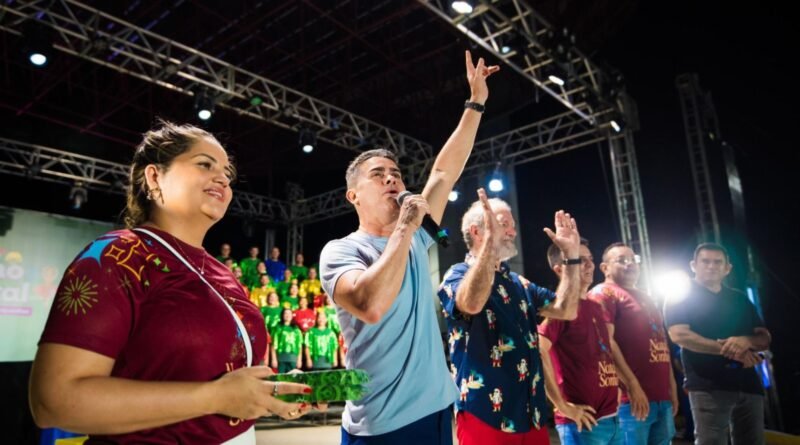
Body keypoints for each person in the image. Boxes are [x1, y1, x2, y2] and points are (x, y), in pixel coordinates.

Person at [28, 121, 314, 444]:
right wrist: (213, 397)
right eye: (204, 164)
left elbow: (228, 378)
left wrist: (274, 392)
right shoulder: (114, 257)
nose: (222, 178)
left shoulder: (222, 274)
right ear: (154, 177)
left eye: (227, 173)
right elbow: (53, 400)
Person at [319, 51, 499, 444]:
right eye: (378, 175)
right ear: (353, 195)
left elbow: (443, 170)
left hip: (436, 412)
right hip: (381, 423)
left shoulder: (416, 232)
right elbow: (370, 303)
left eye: (396, 174)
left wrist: (476, 102)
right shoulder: (340, 251)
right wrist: (405, 226)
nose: (392, 181)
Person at [438, 190, 583, 445]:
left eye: (511, 227)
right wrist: (490, 246)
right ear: (476, 231)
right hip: (485, 414)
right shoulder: (456, 274)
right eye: (503, 225)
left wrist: (572, 258)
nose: (512, 233)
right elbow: (470, 304)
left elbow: (566, 309)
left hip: (531, 414)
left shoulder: (518, 282)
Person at [664, 243, 771, 445]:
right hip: (708, 385)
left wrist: (746, 341)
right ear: (693, 265)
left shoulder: (740, 298)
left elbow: (764, 338)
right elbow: (680, 335)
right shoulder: (680, 295)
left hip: (748, 384)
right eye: (705, 261)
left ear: (727, 268)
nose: (711, 266)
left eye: (717, 262)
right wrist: (732, 350)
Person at [589, 243, 678, 445]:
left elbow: (661, 341)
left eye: (633, 259)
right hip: (629, 401)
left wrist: (671, 386)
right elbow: (604, 342)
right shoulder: (603, 293)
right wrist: (632, 385)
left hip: (660, 399)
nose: (630, 264)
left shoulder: (646, 297)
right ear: (604, 268)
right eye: (621, 260)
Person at [539, 239, 621, 444]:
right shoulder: (558, 309)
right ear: (560, 270)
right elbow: (538, 348)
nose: (590, 265)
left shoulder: (595, 306)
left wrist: (616, 388)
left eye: (590, 259)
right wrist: (562, 405)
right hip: (581, 423)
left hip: (611, 418)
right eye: (580, 260)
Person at [271, 307, 304, 373]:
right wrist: (274, 359)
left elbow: (299, 346)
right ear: (282, 315)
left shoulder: (296, 330)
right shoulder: (278, 328)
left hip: (293, 358)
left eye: (289, 313)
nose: (287, 315)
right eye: (285, 313)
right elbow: (274, 345)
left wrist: (299, 360)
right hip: (281, 358)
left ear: (292, 316)